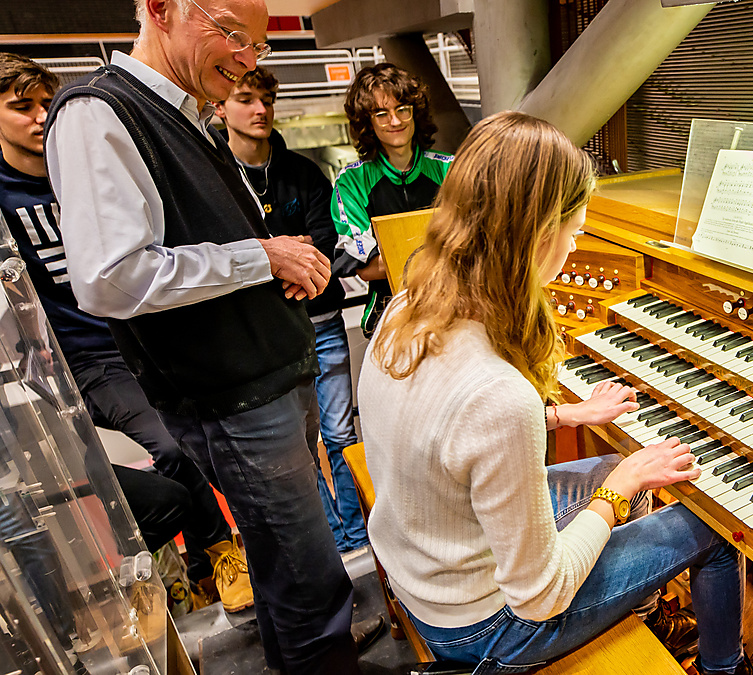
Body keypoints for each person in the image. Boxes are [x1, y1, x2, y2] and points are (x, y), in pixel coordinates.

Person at [358, 111, 753, 675]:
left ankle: (647, 614)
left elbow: (450, 431)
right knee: (717, 522)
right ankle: (726, 669)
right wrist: (615, 493)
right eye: (576, 231)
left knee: (622, 468)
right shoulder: (497, 394)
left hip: (425, 566)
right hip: (483, 629)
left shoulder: (409, 307)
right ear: (543, 236)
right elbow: (539, 596)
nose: (575, 246)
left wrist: (565, 414)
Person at [41, 0, 366, 671]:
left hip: (265, 384)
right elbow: (110, 277)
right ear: (161, 9)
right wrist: (263, 258)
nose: (247, 59)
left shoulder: (183, 112)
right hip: (236, 400)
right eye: (232, 36)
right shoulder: (99, 111)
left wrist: (275, 260)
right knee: (310, 579)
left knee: (286, 571)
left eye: (259, 46)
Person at [0, 52, 253, 611]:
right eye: (22, 107)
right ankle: (184, 562)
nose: (41, 116)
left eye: (46, 102)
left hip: (133, 339)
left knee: (180, 442)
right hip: (64, 363)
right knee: (118, 477)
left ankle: (211, 554)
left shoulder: (80, 164)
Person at [215, 67, 369, 553]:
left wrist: (271, 254)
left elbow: (326, 243)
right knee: (299, 448)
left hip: (322, 323)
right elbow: (223, 253)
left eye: (266, 99)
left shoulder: (302, 171)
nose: (260, 110)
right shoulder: (217, 176)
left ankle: (358, 533)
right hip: (269, 336)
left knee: (342, 434)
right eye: (245, 99)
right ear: (220, 107)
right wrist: (279, 253)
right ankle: (331, 541)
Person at [331, 63, 452, 337]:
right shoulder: (351, 182)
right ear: (368, 122)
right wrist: (443, 252)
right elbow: (367, 269)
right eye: (382, 114)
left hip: (456, 305)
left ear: (415, 112)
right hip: (389, 314)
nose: (395, 121)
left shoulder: (452, 169)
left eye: (402, 110)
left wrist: (396, 257)